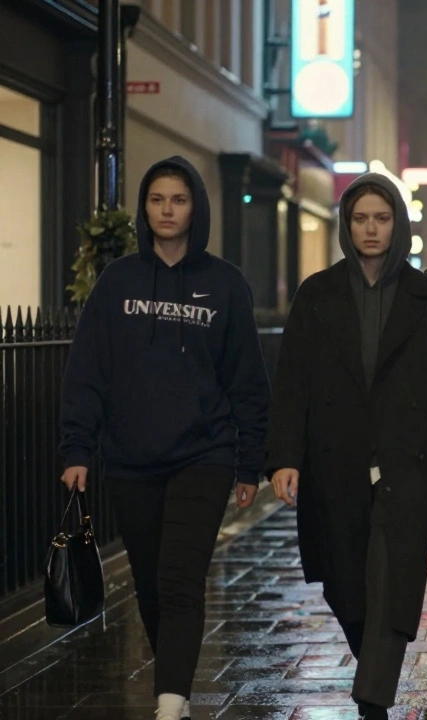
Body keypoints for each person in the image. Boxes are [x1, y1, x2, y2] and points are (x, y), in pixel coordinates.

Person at [59, 157, 270, 720]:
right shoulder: (118, 281)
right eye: (157, 200)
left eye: (178, 200)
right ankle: (172, 685)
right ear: (144, 208)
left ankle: (170, 705)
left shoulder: (225, 284)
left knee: (181, 579)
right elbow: (87, 370)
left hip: (204, 454)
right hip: (131, 458)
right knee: (151, 586)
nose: (167, 210)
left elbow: (248, 380)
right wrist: (77, 448)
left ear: (195, 207)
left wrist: (250, 462)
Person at [264, 173, 427, 719]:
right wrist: (284, 457)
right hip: (337, 460)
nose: (371, 228)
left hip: (409, 462)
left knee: (394, 580)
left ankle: (372, 700)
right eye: (360, 218)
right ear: (346, 225)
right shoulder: (317, 294)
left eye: (381, 218)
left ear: (398, 224)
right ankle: (374, 670)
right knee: (346, 586)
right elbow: (293, 382)